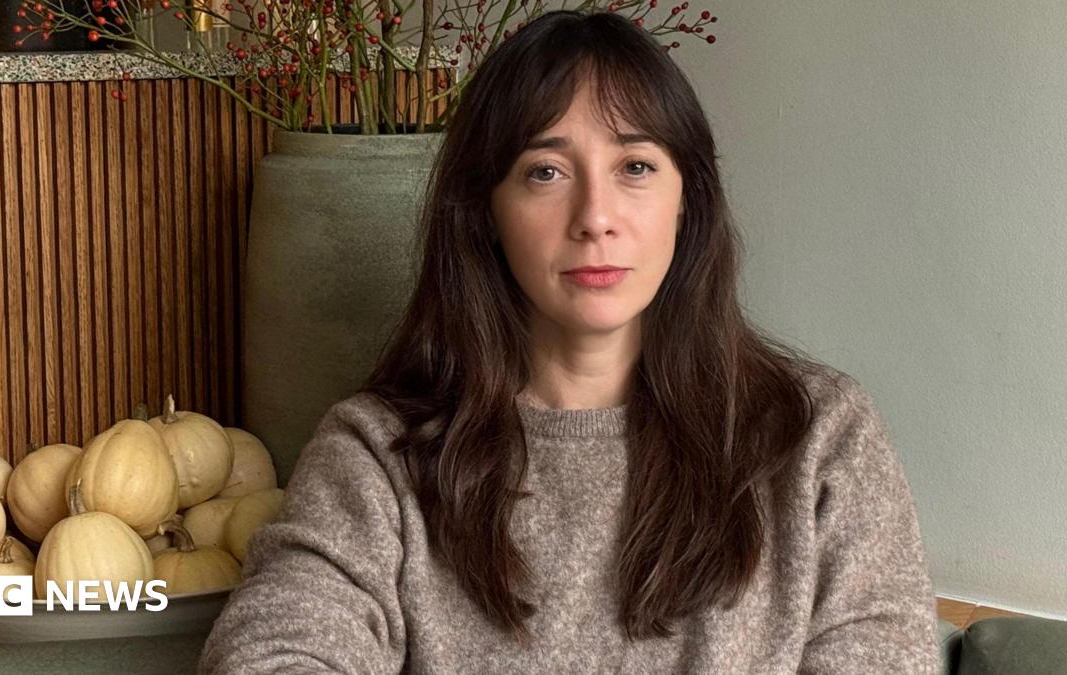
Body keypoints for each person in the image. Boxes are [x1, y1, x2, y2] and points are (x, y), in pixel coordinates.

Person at [199, 9, 941, 674]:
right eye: (546, 171)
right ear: (486, 211)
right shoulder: (377, 453)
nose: (596, 215)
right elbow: (272, 649)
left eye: (636, 167)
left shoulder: (819, 438)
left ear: (689, 202)